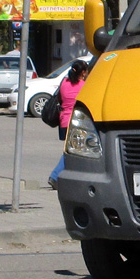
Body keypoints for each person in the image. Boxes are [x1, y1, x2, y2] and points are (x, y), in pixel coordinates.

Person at [49, 59, 89, 189]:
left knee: (73, 150)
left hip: (64, 122)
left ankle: (69, 178)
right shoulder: (83, 86)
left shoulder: (64, 83)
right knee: (71, 152)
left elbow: (60, 99)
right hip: (76, 122)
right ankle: (55, 176)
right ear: (83, 72)